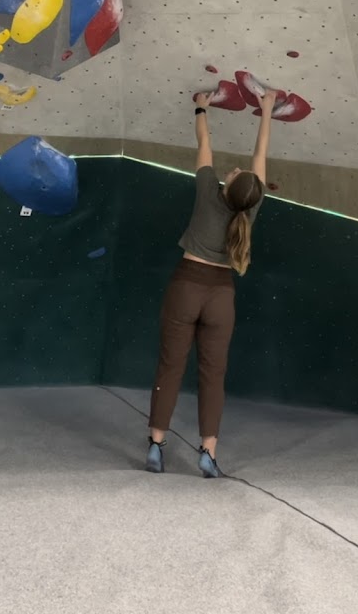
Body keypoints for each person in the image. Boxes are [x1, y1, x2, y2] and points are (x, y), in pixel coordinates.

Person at [146, 87, 278, 478]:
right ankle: (208, 452)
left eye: (235, 173)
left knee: (170, 367)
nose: (235, 169)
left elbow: (204, 142)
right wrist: (267, 110)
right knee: (213, 374)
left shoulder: (208, 191)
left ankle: (156, 445)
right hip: (222, 296)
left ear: (230, 185)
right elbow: (261, 155)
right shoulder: (250, 209)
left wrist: (201, 107)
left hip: (186, 285)